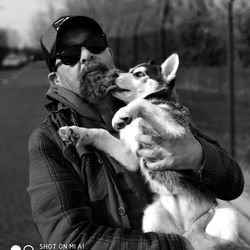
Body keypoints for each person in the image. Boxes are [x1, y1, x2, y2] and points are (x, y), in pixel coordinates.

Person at [27, 15, 245, 250]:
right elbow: (68, 241)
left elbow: (233, 182)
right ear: (55, 78)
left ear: (109, 54)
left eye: (94, 45)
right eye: (69, 55)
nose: (86, 55)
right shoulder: (50, 139)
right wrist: (181, 245)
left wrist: (197, 155)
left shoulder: (150, 103)